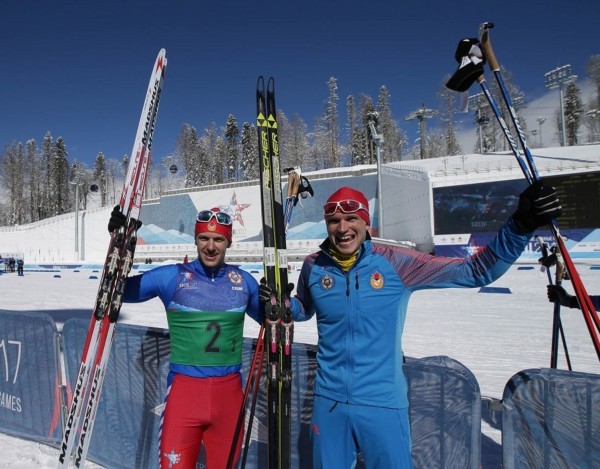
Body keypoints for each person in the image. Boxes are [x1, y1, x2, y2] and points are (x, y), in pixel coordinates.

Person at [265, 183, 561, 468]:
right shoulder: (314, 265)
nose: (342, 229)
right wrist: (276, 305)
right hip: (329, 404)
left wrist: (521, 225)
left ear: (366, 223)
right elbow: (302, 308)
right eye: (334, 220)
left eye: (351, 219)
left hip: (382, 403)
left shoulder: (397, 263)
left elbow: (475, 270)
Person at [109, 206, 263, 469]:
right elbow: (116, 289)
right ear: (195, 239)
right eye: (204, 238)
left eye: (218, 239)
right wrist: (117, 245)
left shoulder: (245, 282)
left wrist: (277, 303)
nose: (211, 246)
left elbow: (274, 319)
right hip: (184, 396)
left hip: (229, 398)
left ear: (229, 242)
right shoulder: (171, 277)